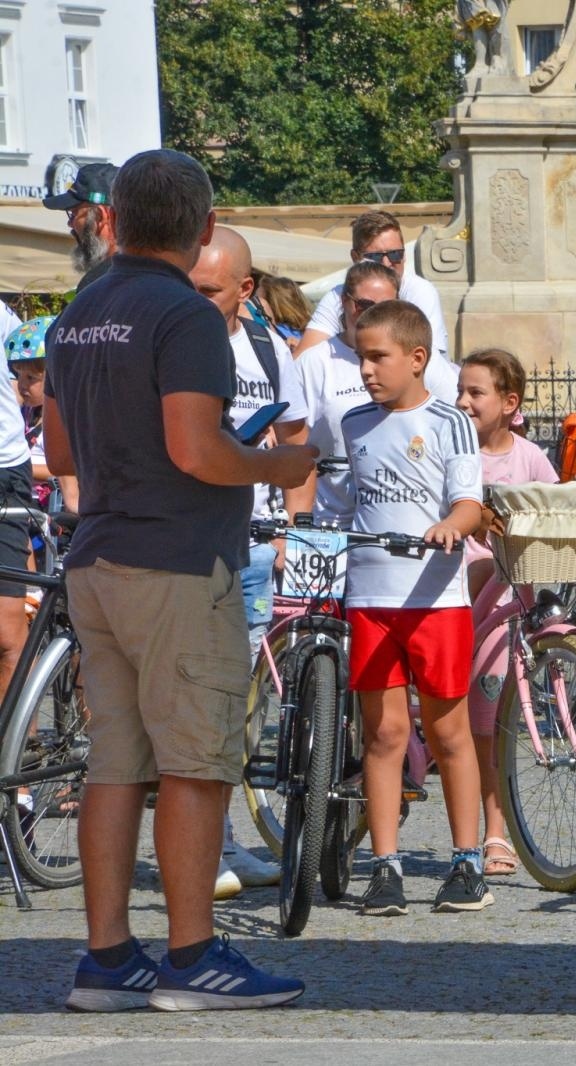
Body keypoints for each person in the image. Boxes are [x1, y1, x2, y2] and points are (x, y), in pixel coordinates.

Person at [44, 148, 315, 1010]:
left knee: (116, 763)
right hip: (175, 559)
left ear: (112, 220)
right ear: (202, 228)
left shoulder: (79, 312)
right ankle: (194, 957)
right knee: (199, 761)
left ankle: (108, 957)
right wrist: (280, 465)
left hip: (97, 557)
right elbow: (198, 450)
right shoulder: (184, 315)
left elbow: (57, 452)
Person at [340, 299, 488, 917]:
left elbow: (470, 502)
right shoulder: (352, 423)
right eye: (361, 356)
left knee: (450, 733)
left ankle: (466, 860)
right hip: (369, 598)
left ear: (417, 359)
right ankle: (385, 866)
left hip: (434, 600)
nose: (367, 369)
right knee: (384, 735)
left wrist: (451, 526)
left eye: (378, 357)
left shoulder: (451, 422)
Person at [189, 226, 318, 896]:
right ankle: (204, 851)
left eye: (208, 290)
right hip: (186, 542)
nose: (194, 299)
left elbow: (296, 443)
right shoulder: (174, 340)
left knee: (240, 703)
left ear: (244, 290)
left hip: (253, 543)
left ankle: (226, 843)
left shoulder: (269, 348)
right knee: (199, 700)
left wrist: (294, 531)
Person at [457, 346, 558, 875]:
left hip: (509, 603)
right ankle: (485, 830)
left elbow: (555, 507)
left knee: (491, 721)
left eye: (476, 392)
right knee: (477, 721)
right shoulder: (455, 453)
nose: (464, 401)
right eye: (461, 392)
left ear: (509, 402)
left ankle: (495, 832)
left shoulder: (529, 457)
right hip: (463, 593)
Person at [297, 261, 460, 521]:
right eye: (363, 304)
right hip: (333, 521)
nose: (373, 314)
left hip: (411, 518)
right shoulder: (314, 362)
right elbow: (294, 445)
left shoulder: (427, 363)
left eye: (386, 307)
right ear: (344, 302)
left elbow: (459, 423)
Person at [296, 210, 451, 363]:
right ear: (355, 258)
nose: (386, 263)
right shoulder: (339, 295)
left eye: (395, 254)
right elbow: (303, 358)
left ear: (404, 255)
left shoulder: (419, 292)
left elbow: (426, 362)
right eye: (375, 257)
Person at [5, 316, 79, 515]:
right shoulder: (26, 413)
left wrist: (18, 467)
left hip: (45, 508)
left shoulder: (62, 419)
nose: (22, 385)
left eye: (31, 378)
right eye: (18, 375)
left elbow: (64, 467)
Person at [42, 162, 119, 291]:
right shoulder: (155, 269)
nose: (70, 224)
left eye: (74, 213)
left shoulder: (100, 284)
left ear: (100, 217)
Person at [250, 272, 314, 346]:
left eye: (257, 302)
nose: (251, 305)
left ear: (272, 305)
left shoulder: (266, 334)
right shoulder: (315, 331)